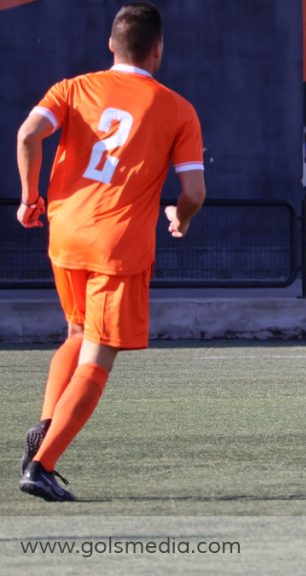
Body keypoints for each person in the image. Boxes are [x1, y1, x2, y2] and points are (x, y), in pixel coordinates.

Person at [15, 2, 206, 501]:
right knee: (100, 354)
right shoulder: (176, 108)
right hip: (117, 244)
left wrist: (29, 196)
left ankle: (45, 425)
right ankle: (43, 463)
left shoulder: (73, 88)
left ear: (110, 45)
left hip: (65, 232)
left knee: (76, 332)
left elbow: (28, 135)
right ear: (158, 50)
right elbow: (194, 191)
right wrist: (179, 219)